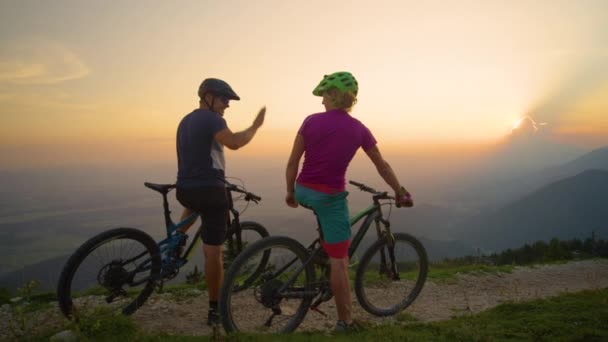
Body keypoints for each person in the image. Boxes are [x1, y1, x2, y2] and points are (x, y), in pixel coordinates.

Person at [285, 71, 412, 332]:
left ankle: (323, 253)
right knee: (340, 261)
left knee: (329, 236)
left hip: (303, 191)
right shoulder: (359, 129)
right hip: (330, 199)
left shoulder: (310, 121)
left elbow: (292, 162)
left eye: (324, 96)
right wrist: (399, 191)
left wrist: (290, 192)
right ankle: (345, 322)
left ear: (333, 95)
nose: (321, 101)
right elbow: (383, 166)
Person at [176, 77, 266, 326]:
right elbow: (235, 142)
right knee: (213, 251)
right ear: (208, 96)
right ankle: (215, 308)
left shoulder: (186, 120)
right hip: (210, 190)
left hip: (185, 187)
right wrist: (255, 126)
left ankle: (176, 243)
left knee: (193, 205)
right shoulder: (212, 119)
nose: (227, 104)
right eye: (224, 99)